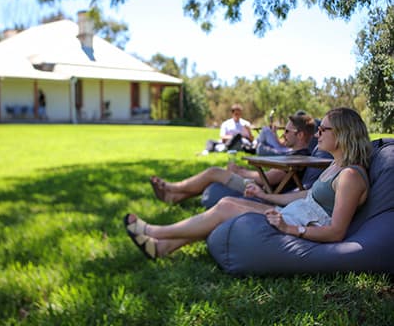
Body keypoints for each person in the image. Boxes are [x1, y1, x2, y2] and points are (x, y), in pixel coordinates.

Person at [124, 107, 371, 260]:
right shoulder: (335, 165)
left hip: (298, 224)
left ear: (341, 134)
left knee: (226, 207)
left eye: (323, 130)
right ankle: (163, 248)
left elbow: (337, 231)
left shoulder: (350, 176)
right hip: (293, 213)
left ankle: (155, 232)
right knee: (228, 200)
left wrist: (291, 230)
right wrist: (266, 197)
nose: (318, 134)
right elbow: (305, 196)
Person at [150, 113, 316, 204]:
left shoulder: (298, 158)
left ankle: (172, 187)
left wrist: (239, 171)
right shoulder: (296, 155)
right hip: (265, 187)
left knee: (214, 172)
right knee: (216, 175)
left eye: (287, 131)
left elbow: (268, 179)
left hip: (263, 193)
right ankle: (174, 197)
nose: (283, 135)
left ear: (300, 135)